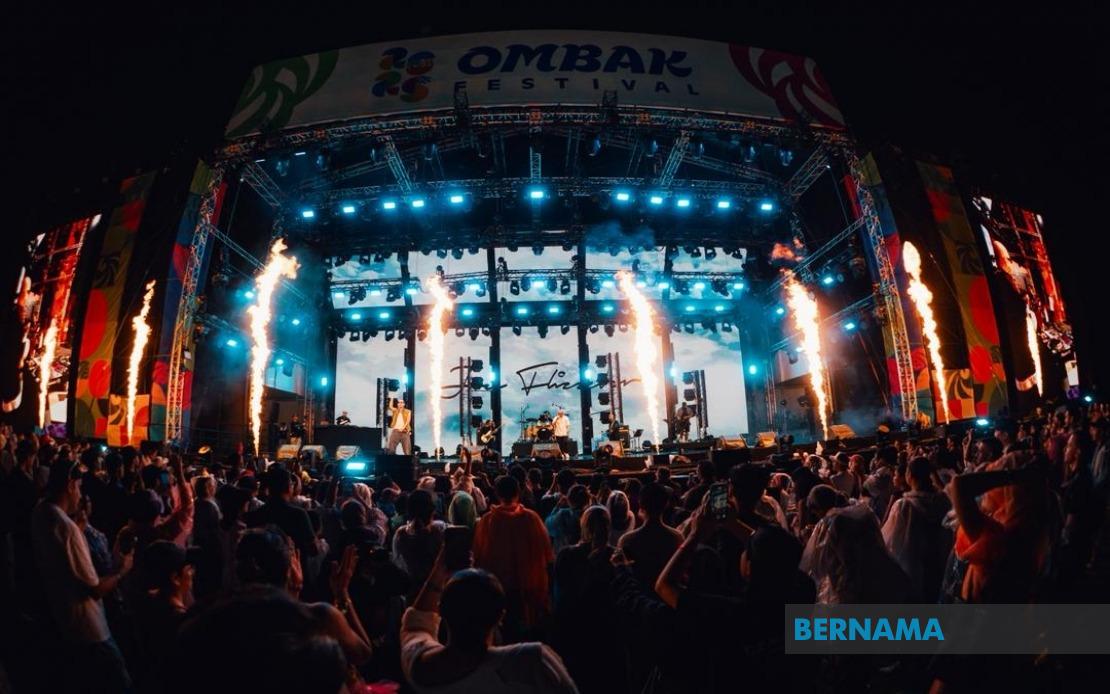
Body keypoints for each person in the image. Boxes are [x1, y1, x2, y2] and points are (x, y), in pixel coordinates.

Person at [400, 552, 578, 693]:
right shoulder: (530, 663)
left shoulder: (420, 668)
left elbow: (416, 624)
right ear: (500, 617)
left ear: (441, 611)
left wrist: (440, 569)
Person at [31, 459, 134, 692]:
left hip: (63, 620)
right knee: (119, 682)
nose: (80, 495)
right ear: (70, 485)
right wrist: (122, 570)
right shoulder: (66, 528)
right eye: (78, 487)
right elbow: (95, 589)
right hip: (90, 628)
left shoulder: (40, 511)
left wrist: (78, 529)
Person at [472, 475, 554, 635]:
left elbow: (478, 556)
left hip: (497, 588)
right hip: (528, 588)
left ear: (497, 494)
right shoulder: (531, 518)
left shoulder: (487, 521)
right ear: (519, 492)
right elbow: (546, 554)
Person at [881, 456, 953, 602]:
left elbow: (889, 542)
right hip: (942, 563)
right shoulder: (944, 501)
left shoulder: (903, 505)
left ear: (909, 476)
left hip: (914, 569)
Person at [245, 467, 319, 581]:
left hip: (263, 577)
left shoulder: (256, 515)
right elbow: (314, 550)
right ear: (288, 486)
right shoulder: (298, 515)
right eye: (292, 483)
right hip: (293, 575)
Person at [617, 482, 683, 594]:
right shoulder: (676, 538)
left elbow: (625, 576)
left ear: (640, 503)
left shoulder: (626, 540)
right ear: (666, 504)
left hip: (639, 598)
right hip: (666, 599)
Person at [391, 489, 445, 599]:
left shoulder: (400, 534)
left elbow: (398, 562)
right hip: (433, 593)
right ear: (432, 510)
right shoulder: (437, 532)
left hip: (409, 594)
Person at [545, 483, 589, 553]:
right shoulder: (590, 514)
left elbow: (548, 525)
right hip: (586, 554)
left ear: (569, 499)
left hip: (564, 554)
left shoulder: (564, 514)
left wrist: (558, 506)